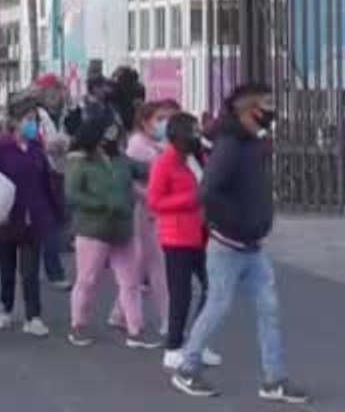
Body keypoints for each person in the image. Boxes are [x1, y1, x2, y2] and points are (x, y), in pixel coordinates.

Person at [171, 83, 308, 403]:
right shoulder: (231, 146)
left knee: (269, 309)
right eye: (267, 105)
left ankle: (274, 379)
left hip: (253, 247)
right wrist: (231, 221)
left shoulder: (252, 142)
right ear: (250, 111)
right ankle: (187, 368)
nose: (272, 111)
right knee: (217, 306)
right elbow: (207, 192)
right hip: (227, 246)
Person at [65, 115, 159, 349]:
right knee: (87, 280)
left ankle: (136, 330)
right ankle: (78, 325)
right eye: (108, 132)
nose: (113, 137)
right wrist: (103, 204)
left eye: (116, 132)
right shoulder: (81, 162)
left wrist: (170, 155)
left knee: (130, 282)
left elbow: (148, 170)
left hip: (122, 229)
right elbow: (73, 195)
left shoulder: (123, 161)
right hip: (92, 230)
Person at [148, 112, 222, 370]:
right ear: (179, 135)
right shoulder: (164, 162)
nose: (197, 134)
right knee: (181, 294)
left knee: (213, 288)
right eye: (192, 130)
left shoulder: (197, 157)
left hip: (202, 232)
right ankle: (173, 346)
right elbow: (154, 202)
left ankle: (198, 342)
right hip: (176, 235)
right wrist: (189, 200)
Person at [0, 99, 61, 338]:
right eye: (28, 120)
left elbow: (46, 182)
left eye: (35, 120)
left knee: (30, 271)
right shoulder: (0, 148)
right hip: (8, 216)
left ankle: (33, 316)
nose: (32, 125)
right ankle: (6, 307)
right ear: (14, 122)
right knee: (6, 266)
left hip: (35, 217)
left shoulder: (36, 148)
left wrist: (54, 211)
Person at [109, 100, 173, 335]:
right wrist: (150, 196)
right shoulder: (138, 146)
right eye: (159, 119)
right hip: (141, 211)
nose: (164, 124)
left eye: (167, 119)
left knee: (143, 266)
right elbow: (132, 181)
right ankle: (166, 319)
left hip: (154, 211)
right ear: (145, 122)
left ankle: (119, 313)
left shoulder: (161, 144)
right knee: (150, 266)